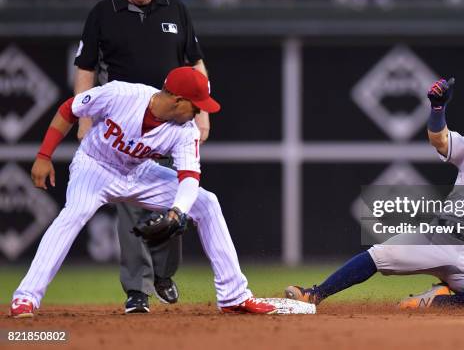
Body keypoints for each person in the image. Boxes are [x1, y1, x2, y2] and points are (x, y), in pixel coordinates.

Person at [9, 67, 277, 318]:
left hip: (139, 172)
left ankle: (233, 296)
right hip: (95, 166)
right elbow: (70, 108)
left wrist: (177, 212)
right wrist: (44, 155)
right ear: (177, 100)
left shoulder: (186, 131)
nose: (198, 113)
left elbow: (189, 177)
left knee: (207, 203)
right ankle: (26, 297)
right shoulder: (122, 94)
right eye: (195, 106)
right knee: (73, 215)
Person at [285, 78, 464, 310]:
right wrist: (438, 108)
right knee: (379, 255)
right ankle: (314, 294)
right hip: (438, 238)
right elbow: (439, 139)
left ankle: (435, 301)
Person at [73, 0, 210, 313]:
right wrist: (85, 119)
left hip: (171, 122)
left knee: (175, 199)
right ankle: (137, 289)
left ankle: (164, 273)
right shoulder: (103, 14)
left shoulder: (176, 9)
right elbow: (86, 67)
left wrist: (202, 114)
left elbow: (195, 61)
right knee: (131, 207)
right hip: (122, 124)